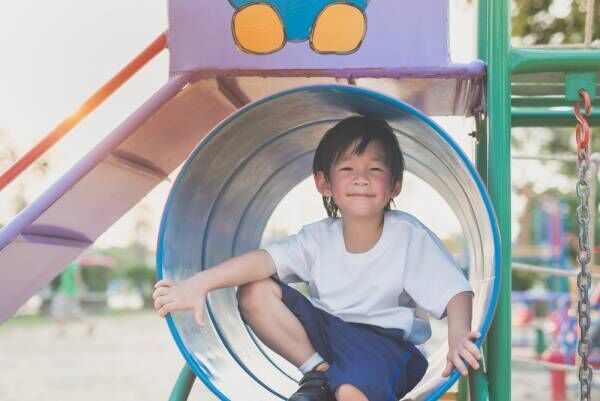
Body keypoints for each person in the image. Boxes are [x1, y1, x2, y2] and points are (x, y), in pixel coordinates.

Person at [153, 116, 481, 401]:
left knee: (350, 393)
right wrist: (200, 283)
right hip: (327, 338)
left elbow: (455, 290)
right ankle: (318, 373)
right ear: (325, 184)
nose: (361, 178)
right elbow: (262, 261)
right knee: (253, 290)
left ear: (395, 185)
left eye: (375, 169)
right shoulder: (318, 238)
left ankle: (332, 383)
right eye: (348, 168)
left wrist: (456, 337)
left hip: (386, 348)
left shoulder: (409, 237)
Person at [49, 260, 94, 337]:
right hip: (67, 291)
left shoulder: (72, 264)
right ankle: (89, 323)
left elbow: (77, 278)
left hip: (67, 291)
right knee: (73, 310)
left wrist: (80, 290)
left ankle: (62, 330)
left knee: (58, 310)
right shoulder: (70, 263)